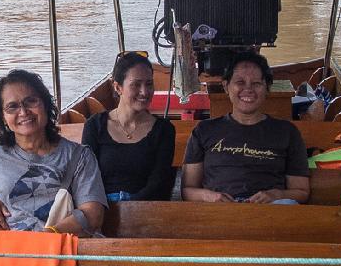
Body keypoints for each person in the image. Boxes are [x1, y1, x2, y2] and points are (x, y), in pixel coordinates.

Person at [0, 69, 106, 235]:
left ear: (45, 104)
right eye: (12, 107)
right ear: (3, 117)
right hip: (16, 252)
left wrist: (47, 237)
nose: (23, 112)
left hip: (69, 249)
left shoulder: (79, 156)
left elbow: (93, 214)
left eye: (31, 101)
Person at [182, 52, 310, 204]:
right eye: (240, 82)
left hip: (271, 212)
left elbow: (301, 191)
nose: (248, 89)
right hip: (218, 213)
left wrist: (277, 195)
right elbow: (188, 189)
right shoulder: (204, 130)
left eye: (256, 83)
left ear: (267, 87)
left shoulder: (287, 132)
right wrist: (209, 196)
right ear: (226, 86)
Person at [80, 51, 177, 202]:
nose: (144, 92)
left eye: (149, 84)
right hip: (100, 209)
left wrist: (128, 209)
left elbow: (159, 183)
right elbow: (87, 178)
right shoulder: (95, 126)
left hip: (146, 209)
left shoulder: (164, 130)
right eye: (136, 85)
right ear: (118, 88)